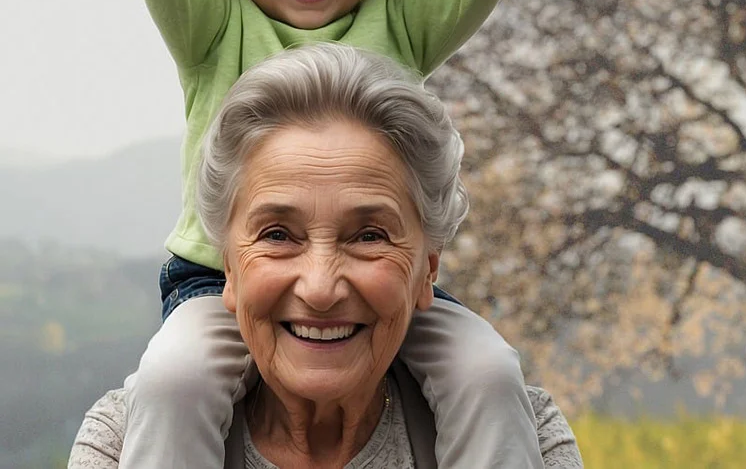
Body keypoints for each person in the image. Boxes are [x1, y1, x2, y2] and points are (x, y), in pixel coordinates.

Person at [122, 0, 539, 465]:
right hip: (219, 279)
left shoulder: (402, 25)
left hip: (382, 279)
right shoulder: (213, 29)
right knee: (177, 381)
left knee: (486, 370)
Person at [69, 44, 582, 468]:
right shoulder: (121, 445)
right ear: (227, 266)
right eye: (276, 235)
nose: (319, 288)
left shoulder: (528, 440)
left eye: (369, 236)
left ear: (428, 268)